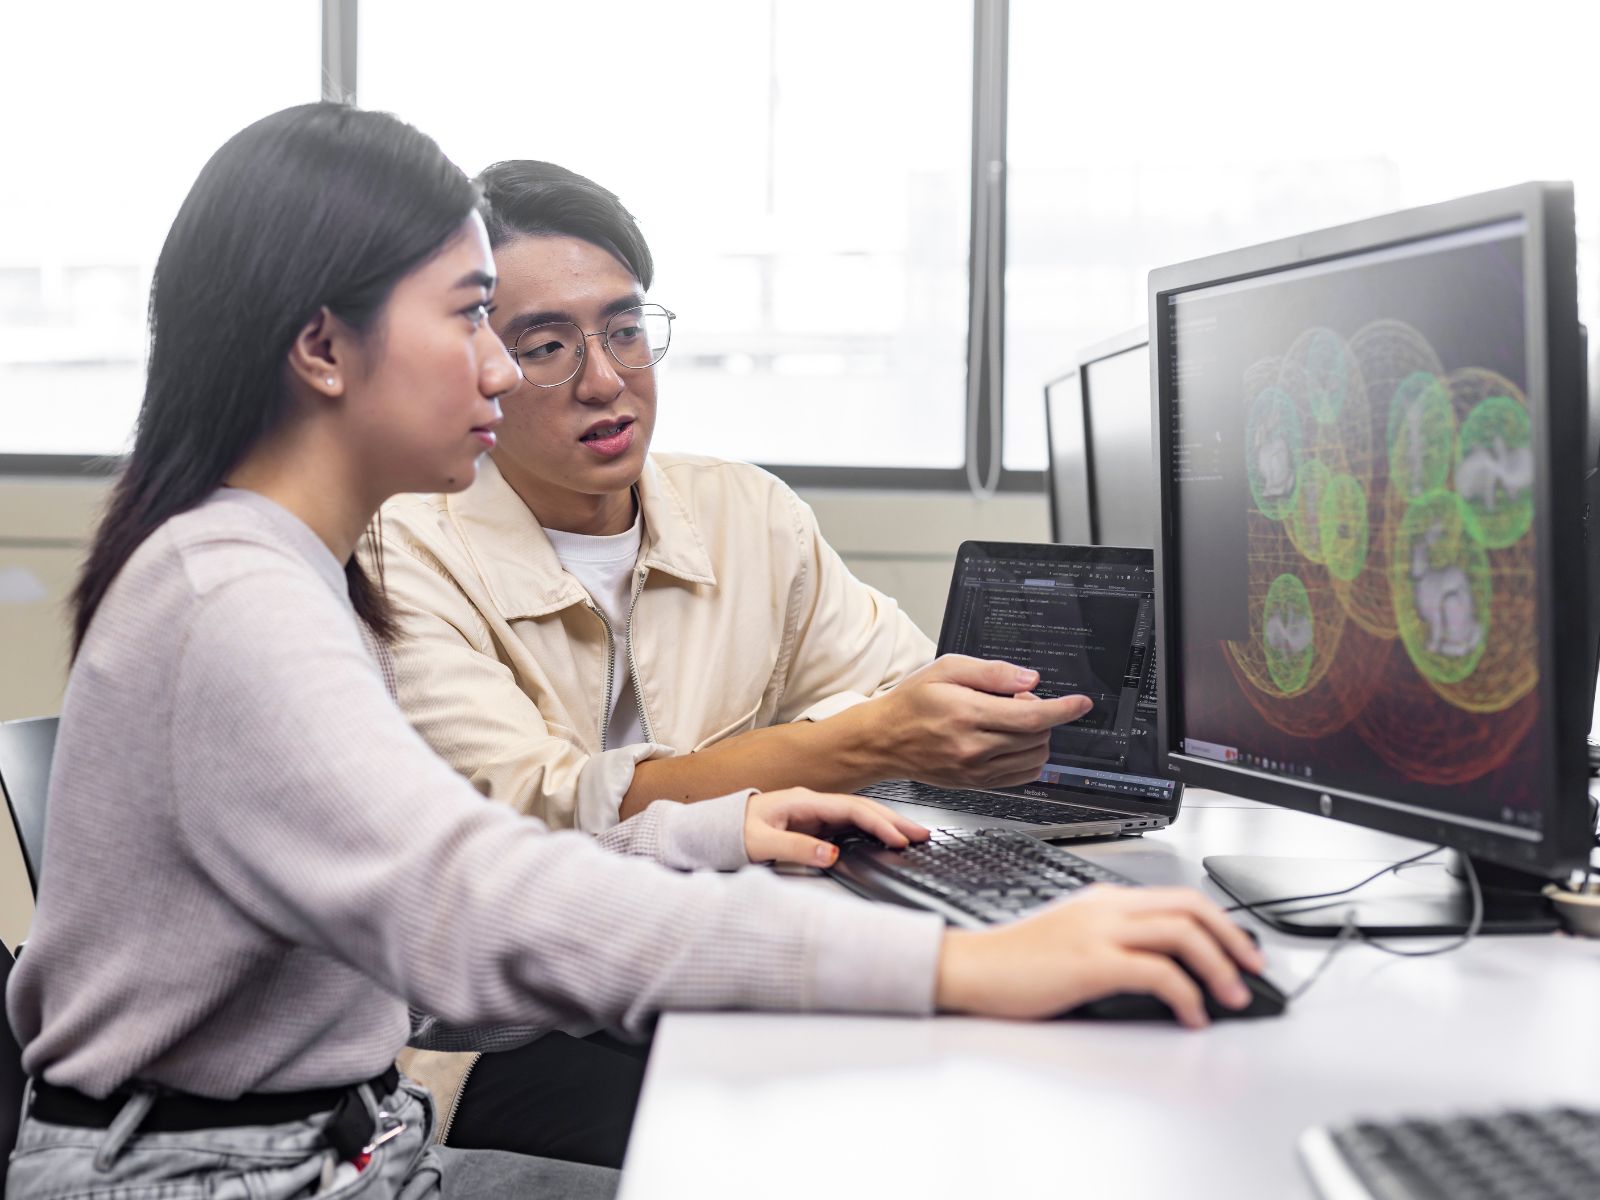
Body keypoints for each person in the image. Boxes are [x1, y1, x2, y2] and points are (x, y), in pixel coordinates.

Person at [5, 103, 1264, 1200]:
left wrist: (709, 834)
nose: (509, 369)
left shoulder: (271, 570)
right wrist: (958, 962)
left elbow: (424, 934)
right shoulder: (235, 600)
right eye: (479, 321)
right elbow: (469, 917)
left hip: (340, 1148)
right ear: (324, 348)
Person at [375, 161, 1103, 1160]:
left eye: (625, 331)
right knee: (801, 1148)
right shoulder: (403, 550)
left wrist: (983, 728)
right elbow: (538, 820)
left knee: (987, 1092)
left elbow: (897, 684)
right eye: (545, 346)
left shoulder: (743, 513)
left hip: (713, 971)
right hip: (510, 1034)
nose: (604, 379)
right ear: (480, 363)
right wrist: (869, 741)